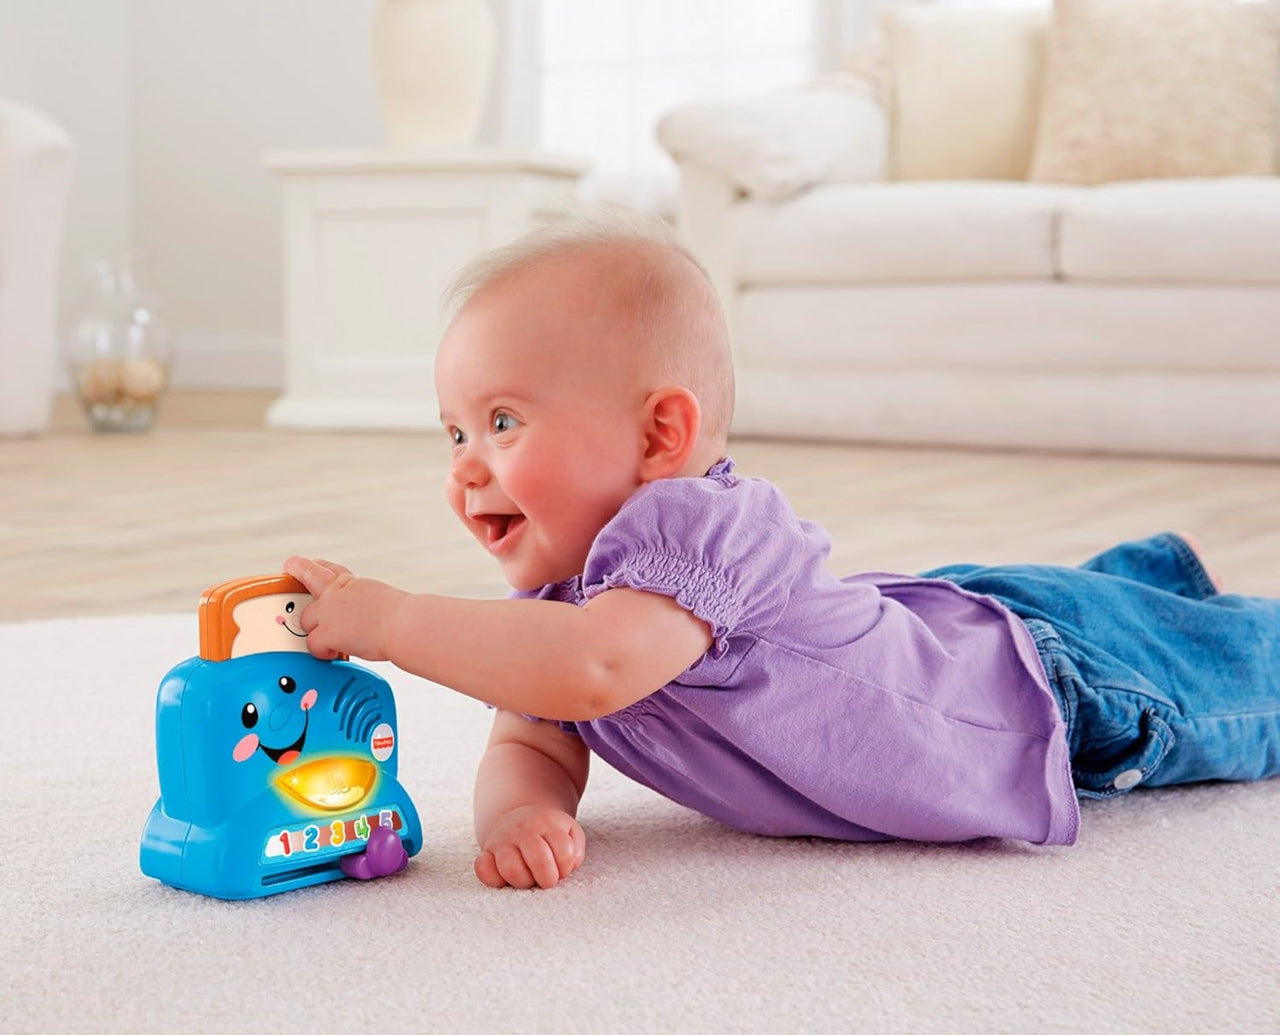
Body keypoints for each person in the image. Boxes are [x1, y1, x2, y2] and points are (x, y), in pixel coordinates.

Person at [284, 209, 1280, 891]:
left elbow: (591, 673)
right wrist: (516, 816)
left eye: (502, 421)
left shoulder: (690, 526)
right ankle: (1150, 574)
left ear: (659, 439)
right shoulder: (554, 611)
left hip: (1048, 685)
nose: (465, 465)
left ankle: (1152, 597)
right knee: (1053, 606)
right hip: (934, 621)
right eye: (452, 432)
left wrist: (393, 621)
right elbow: (533, 735)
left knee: (1245, 681)